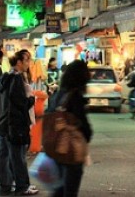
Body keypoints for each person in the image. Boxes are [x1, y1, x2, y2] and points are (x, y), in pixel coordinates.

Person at [46, 60, 92, 197]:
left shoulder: (58, 95)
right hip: (71, 151)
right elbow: (86, 129)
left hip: (55, 149)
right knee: (69, 190)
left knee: (59, 188)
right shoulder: (75, 97)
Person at [0, 50, 38, 196]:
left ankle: (5, 186)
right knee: (18, 157)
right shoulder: (17, 78)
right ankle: (22, 186)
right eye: (26, 60)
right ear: (19, 62)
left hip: (2, 124)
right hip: (14, 124)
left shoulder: (3, 78)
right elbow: (20, 102)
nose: (28, 63)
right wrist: (32, 100)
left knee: (4, 157)